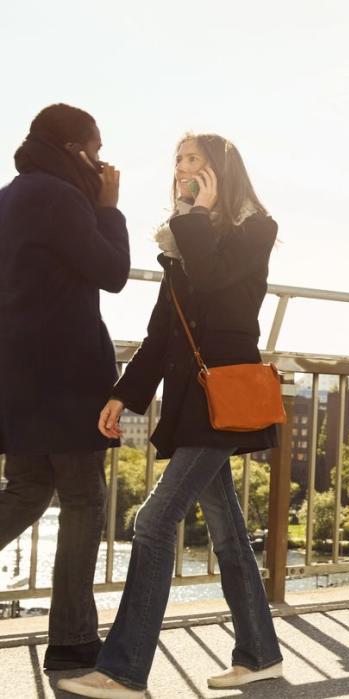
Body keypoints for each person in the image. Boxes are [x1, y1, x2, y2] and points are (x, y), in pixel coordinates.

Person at [60, 134, 283, 699]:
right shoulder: (183, 242)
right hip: (190, 405)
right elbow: (163, 336)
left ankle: (124, 671)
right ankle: (259, 655)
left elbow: (214, 282)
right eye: (178, 161)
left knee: (153, 523)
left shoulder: (256, 230)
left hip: (224, 399)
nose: (182, 169)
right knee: (229, 533)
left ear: (220, 171)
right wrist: (123, 395)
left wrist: (197, 218)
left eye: (194, 160)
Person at [0, 103, 128, 672]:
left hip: (16, 375)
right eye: (97, 150)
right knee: (82, 499)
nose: (102, 161)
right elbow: (113, 271)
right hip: (67, 377)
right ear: (77, 149)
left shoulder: (10, 194)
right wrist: (110, 209)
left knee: (27, 491)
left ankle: (73, 633)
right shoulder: (62, 196)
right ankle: (73, 639)